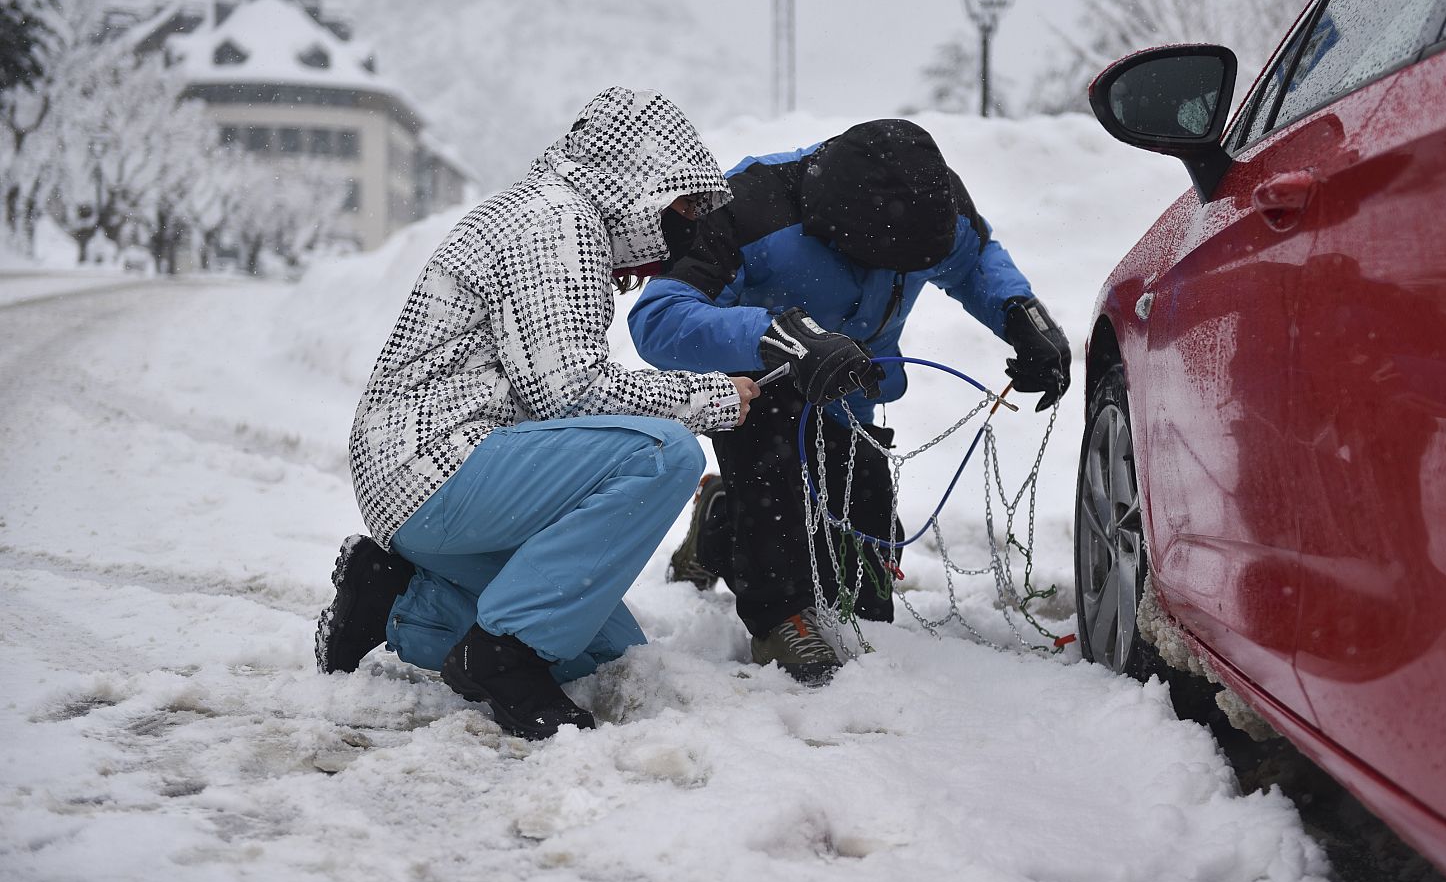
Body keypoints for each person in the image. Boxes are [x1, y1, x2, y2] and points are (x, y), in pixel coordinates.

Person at [314, 86, 759, 741]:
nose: (685, 226)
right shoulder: (559, 221)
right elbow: (570, 394)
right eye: (682, 204)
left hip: (420, 481)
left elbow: (551, 397)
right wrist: (712, 398)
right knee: (665, 454)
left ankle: (393, 596)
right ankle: (504, 656)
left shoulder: (551, 215)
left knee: (597, 652)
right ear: (640, 181)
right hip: (440, 459)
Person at [627, 118, 1071, 685]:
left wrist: (1021, 316)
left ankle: (719, 517)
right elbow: (657, 319)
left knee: (864, 589)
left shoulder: (931, 201)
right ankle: (777, 618)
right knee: (775, 507)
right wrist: (777, 336)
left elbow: (976, 261)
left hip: (851, 385)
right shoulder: (744, 207)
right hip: (756, 382)